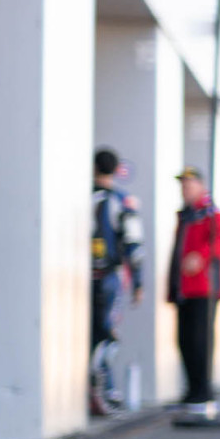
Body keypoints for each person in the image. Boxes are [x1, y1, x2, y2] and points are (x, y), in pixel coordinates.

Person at [168, 167, 220, 409]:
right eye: (182, 186)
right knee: (184, 340)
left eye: (189, 185)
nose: (185, 190)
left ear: (201, 186)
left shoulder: (213, 216)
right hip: (183, 289)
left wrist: (201, 256)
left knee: (200, 340)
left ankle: (203, 391)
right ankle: (193, 389)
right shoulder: (185, 217)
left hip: (204, 288)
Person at [90, 149, 144, 416]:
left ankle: (99, 388)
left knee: (95, 334)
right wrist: (138, 283)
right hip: (110, 277)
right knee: (107, 334)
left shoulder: (84, 196)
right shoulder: (122, 202)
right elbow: (134, 245)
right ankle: (105, 389)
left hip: (82, 278)